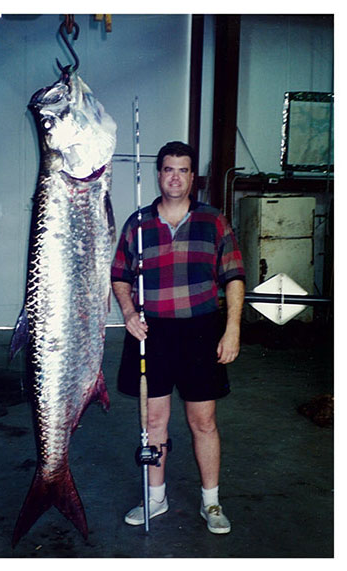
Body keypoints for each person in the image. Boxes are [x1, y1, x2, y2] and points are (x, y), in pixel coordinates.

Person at [111, 141, 245, 535]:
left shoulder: (214, 221)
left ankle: (212, 501)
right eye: (168, 169)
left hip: (201, 329)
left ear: (192, 178)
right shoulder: (137, 223)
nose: (175, 177)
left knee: (203, 420)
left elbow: (234, 276)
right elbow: (119, 275)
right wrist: (130, 313)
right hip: (152, 332)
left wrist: (232, 328)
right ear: (159, 174)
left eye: (183, 170)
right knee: (154, 421)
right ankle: (156, 497)